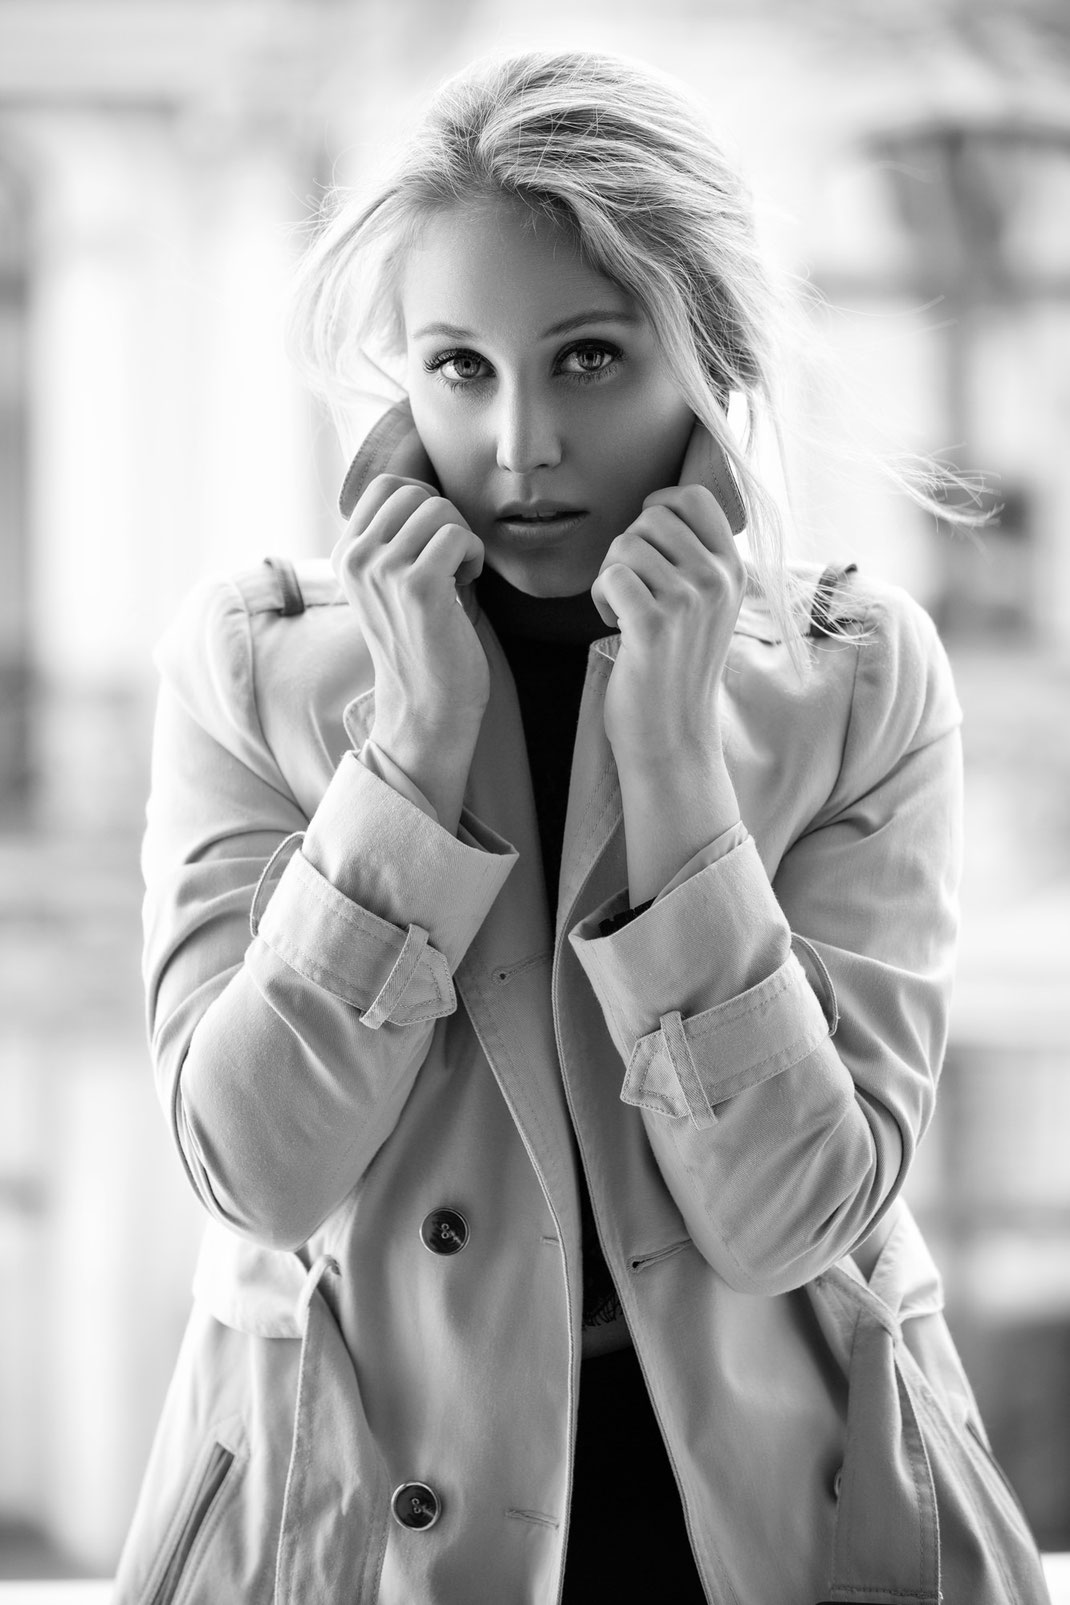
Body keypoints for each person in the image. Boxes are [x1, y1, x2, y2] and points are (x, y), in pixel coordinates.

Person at [116, 48, 1050, 1605]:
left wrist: (677, 777)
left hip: (784, 1520)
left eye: (590, 359)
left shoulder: (855, 681)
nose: (519, 446)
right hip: (361, 1520)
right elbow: (253, 1174)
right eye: (460, 367)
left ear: (707, 360)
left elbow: (797, 1217)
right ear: (400, 380)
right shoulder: (255, 671)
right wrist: (411, 752)